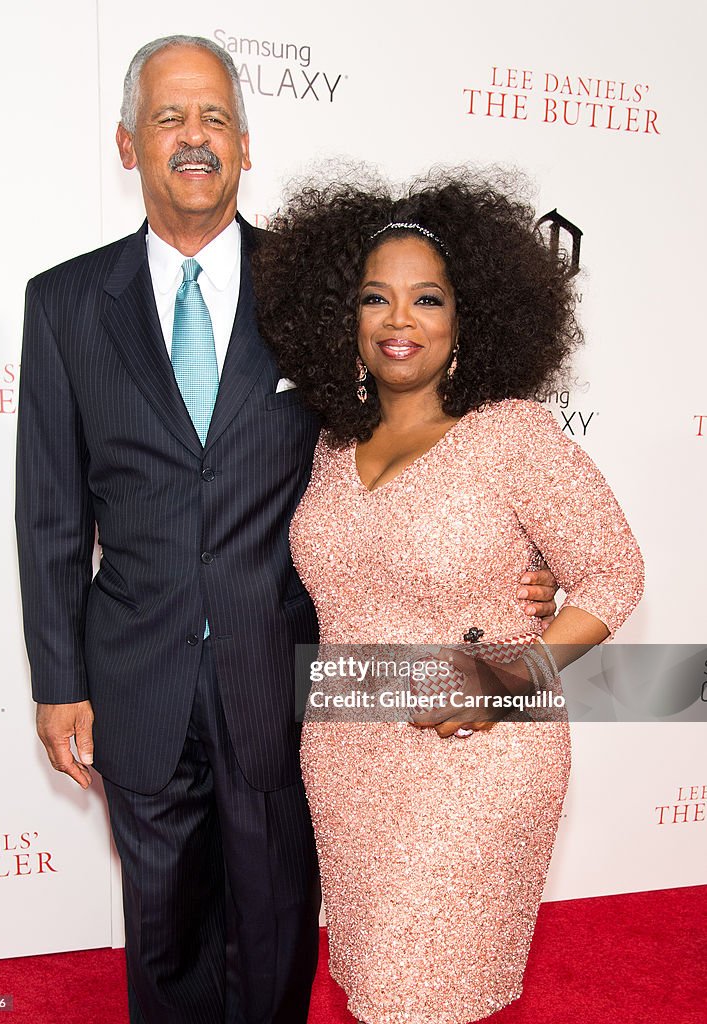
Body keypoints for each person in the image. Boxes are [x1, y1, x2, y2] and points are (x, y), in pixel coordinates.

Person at [14, 37, 558, 1024]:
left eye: (215, 117)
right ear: (127, 141)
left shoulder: (315, 295)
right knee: (162, 915)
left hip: (285, 668)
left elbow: (423, 426)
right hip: (134, 668)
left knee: (272, 914)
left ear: (246, 146)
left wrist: (519, 564)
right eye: (171, 117)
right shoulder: (62, 305)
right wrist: (59, 684)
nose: (194, 137)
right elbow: (50, 510)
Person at [253, 172, 645, 1024]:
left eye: (426, 297)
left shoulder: (511, 433)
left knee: (419, 993)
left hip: (478, 757)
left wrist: (503, 677)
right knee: (374, 989)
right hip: (345, 755)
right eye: (374, 298)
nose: (400, 320)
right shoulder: (326, 445)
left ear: (468, 315)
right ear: (343, 319)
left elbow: (616, 574)